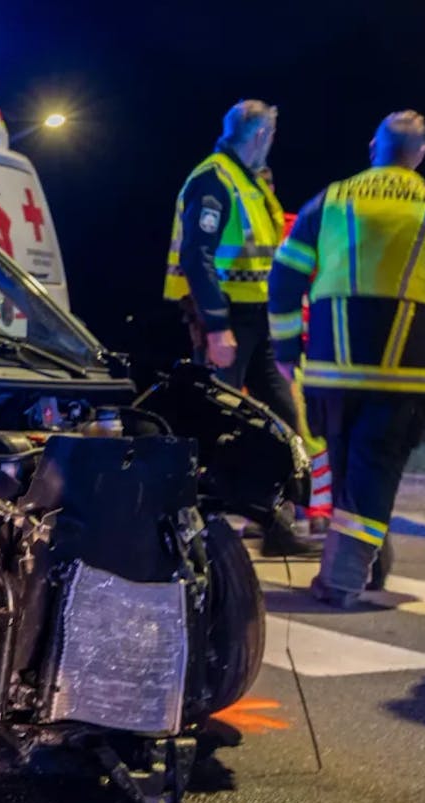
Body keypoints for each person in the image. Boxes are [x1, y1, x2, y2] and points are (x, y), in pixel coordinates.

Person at [267, 111, 425, 609]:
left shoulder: (332, 199)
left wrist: (285, 350)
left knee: (351, 470)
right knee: (376, 471)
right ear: (421, 154)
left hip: (330, 371)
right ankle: (344, 579)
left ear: (373, 147)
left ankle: (370, 565)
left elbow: (284, 278)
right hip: (405, 373)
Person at [162, 99, 308, 555]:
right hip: (222, 318)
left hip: (255, 319)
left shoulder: (249, 182)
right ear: (261, 136)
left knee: (283, 420)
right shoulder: (215, 179)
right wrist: (217, 326)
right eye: (271, 137)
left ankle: (276, 521)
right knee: (214, 426)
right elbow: (197, 256)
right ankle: (199, 528)